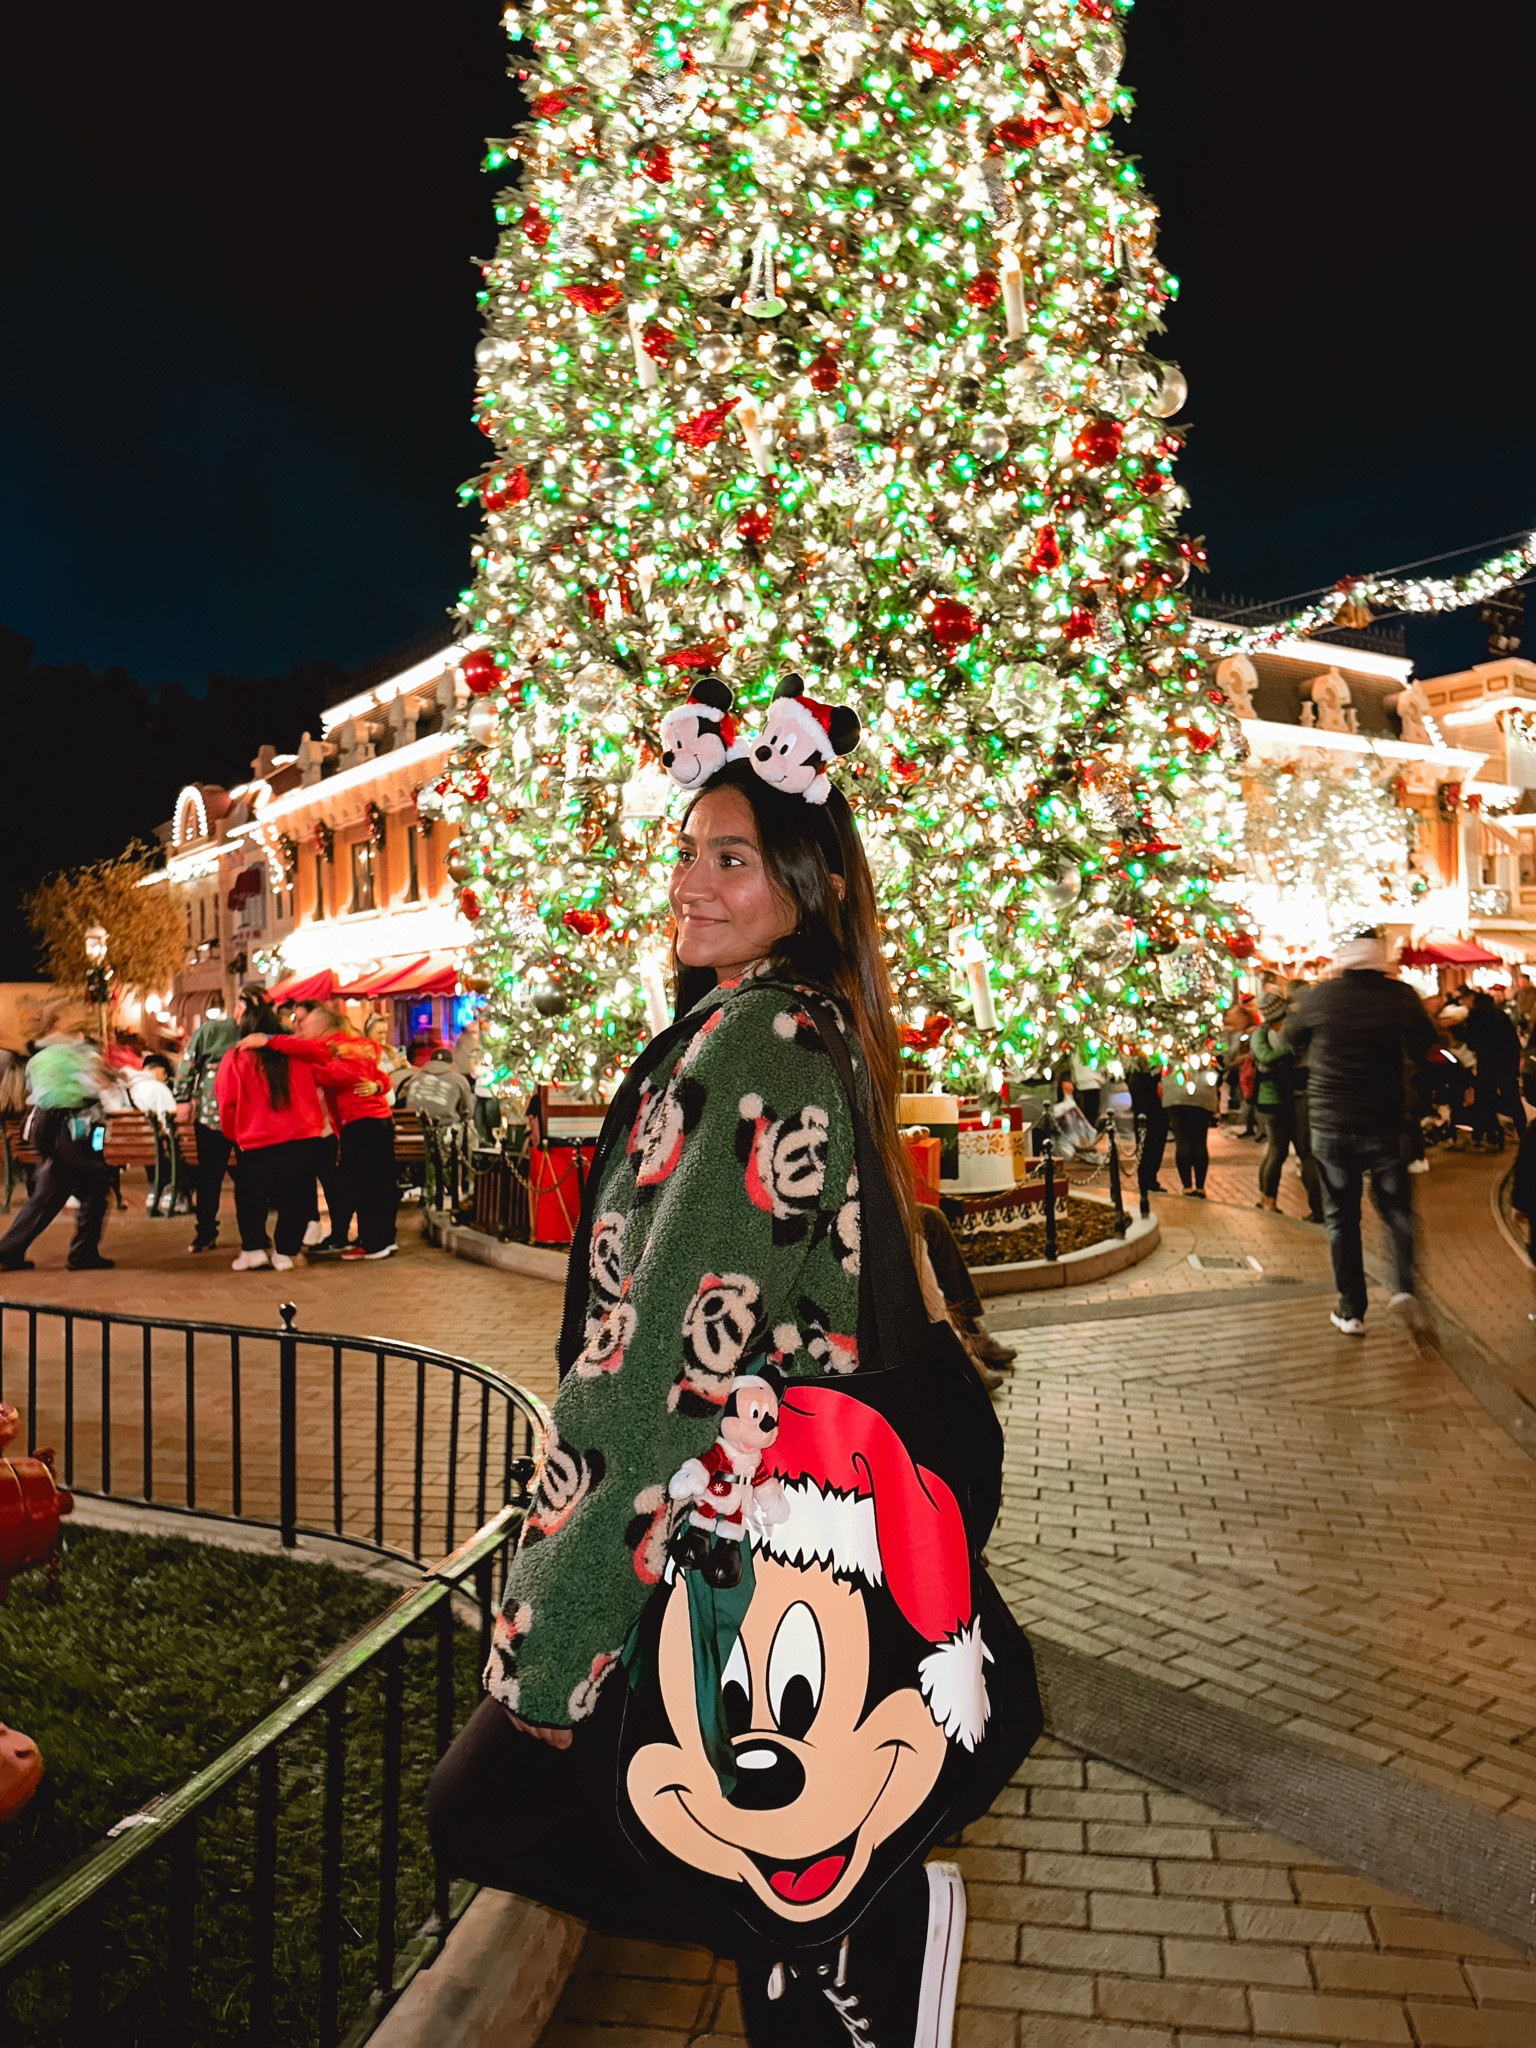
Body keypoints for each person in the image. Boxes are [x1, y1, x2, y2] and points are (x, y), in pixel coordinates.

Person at [427, 738, 973, 2045]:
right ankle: (836, 1923)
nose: (691, 881)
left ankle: (860, 1914)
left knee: (479, 1806)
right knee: (750, 1866)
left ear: (807, 884)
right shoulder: (798, 1023)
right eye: (687, 852)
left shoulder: (760, 1040)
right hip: (777, 1524)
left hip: (733, 1528)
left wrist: (555, 1636)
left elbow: (662, 1361)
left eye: (732, 858)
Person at [1282, 931, 1438, 1336]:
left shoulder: (1322, 996)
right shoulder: (1400, 996)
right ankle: (1403, 1287)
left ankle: (1351, 1311)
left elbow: (1289, 1038)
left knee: (1341, 1218)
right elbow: (1427, 1040)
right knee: (1396, 1210)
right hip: (1386, 1123)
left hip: (1332, 1125)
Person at [215, 1002, 361, 1272]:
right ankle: (285, 1250)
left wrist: (232, 1133)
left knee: (251, 1195)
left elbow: (226, 1101)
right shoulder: (298, 1054)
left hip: (256, 1137)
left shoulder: (235, 1057)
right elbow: (324, 1051)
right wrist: (279, 1042)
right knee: (297, 1195)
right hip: (302, 1134)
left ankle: (253, 1249)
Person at [254, 1007, 399, 1260]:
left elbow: (337, 1072)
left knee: (363, 1183)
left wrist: (300, 1067)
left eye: (306, 1024)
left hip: (359, 1121)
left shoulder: (333, 1047)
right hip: (379, 1120)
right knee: (379, 1181)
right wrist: (378, 1086)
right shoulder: (362, 1046)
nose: (301, 1030)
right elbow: (381, 1077)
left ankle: (374, 1244)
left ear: (322, 1027)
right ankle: (383, 1238)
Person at [0, 1008, 115, 1273]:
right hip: (75, 1129)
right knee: (94, 1185)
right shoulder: (77, 1054)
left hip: (45, 1128)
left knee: (51, 1191)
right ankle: (82, 1253)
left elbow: (33, 1090)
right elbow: (98, 1084)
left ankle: (10, 1249)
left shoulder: (38, 1059)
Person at [175, 1000, 243, 1251]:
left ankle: (252, 1234)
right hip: (214, 1117)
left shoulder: (265, 1033)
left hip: (246, 1118)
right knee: (210, 1178)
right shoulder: (212, 1032)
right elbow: (188, 1063)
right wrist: (182, 1099)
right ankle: (205, 1231)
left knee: (248, 1179)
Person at [1460, 989, 1525, 1152]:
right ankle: (1523, 1132)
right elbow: (1514, 1042)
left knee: (1483, 1099)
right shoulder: (1500, 1015)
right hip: (1507, 1062)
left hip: (1488, 1063)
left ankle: (1480, 1135)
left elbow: (1472, 1043)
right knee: (1513, 1098)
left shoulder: (1475, 1016)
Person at [1164, 1065, 1220, 1196]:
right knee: (1200, 1141)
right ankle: (1200, 1186)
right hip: (1203, 1092)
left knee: (1182, 1141)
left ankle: (1187, 1186)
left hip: (1175, 1093)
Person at [1126, 1057, 1167, 1195]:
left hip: (1158, 1106)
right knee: (1147, 1142)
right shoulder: (1137, 1068)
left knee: (1157, 1141)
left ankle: (1150, 1177)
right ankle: (1145, 1178)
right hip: (1145, 1107)